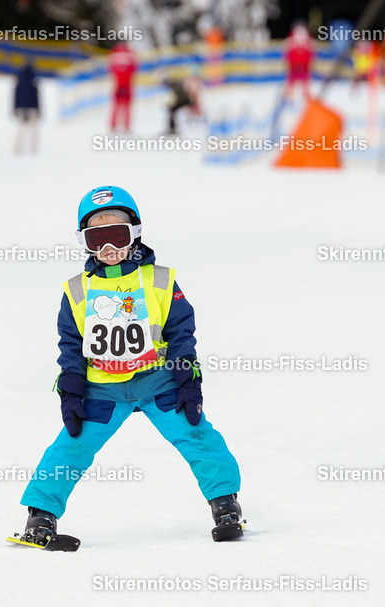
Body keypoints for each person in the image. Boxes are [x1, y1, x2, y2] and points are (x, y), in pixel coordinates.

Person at [18, 186, 244, 545]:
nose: (108, 249)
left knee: (197, 434)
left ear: (135, 234)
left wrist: (188, 381)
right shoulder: (77, 290)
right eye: (97, 239)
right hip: (103, 388)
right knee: (71, 447)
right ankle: (40, 515)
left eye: (117, 236)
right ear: (85, 243)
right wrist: (72, 388)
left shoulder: (159, 281)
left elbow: (181, 333)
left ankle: (225, 503)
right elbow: (71, 344)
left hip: (159, 383)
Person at [12, 60, 40, 155]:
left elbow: (15, 98)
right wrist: (39, 111)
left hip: (21, 110)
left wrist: (15, 110)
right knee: (33, 131)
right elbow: (37, 99)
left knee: (20, 130)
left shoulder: (19, 82)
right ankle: (33, 149)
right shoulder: (34, 83)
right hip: (32, 110)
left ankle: (18, 149)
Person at [108, 43, 136, 132]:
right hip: (128, 85)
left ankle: (113, 125)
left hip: (117, 85)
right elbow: (134, 69)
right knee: (127, 107)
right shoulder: (131, 55)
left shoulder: (114, 55)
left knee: (116, 107)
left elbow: (111, 69)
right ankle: (126, 126)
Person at [283, 22, 313, 101]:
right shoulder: (291, 41)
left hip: (302, 67)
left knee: (304, 85)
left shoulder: (307, 42)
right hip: (295, 67)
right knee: (291, 84)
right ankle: (287, 98)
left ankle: (306, 99)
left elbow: (311, 54)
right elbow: (286, 53)